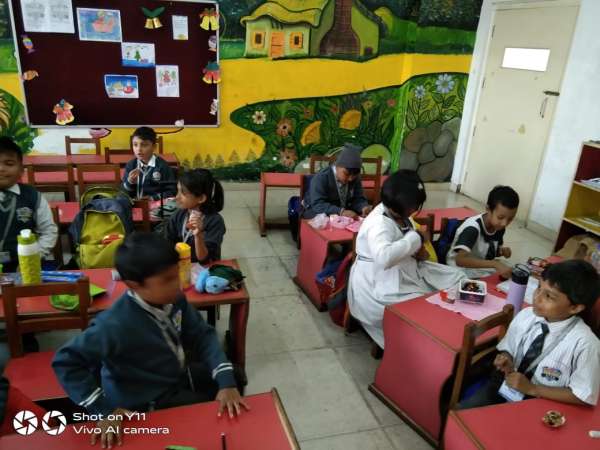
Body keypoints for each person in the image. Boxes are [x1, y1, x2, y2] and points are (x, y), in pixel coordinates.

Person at [52, 232, 248, 448]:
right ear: (134, 284)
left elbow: (202, 334)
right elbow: (65, 362)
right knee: (208, 422)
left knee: (235, 378)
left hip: (171, 376)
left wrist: (226, 382)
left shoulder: (173, 299)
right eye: (167, 280)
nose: (178, 285)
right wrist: (102, 410)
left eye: (176, 274)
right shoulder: (114, 324)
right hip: (143, 403)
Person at [459, 260, 600, 409]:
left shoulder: (586, 345)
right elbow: (508, 348)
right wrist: (506, 358)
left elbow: (582, 395)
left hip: (541, 402)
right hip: (504, 385)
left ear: (575, 308)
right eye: (539, 288)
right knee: (463, 414)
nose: (536, 298)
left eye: (549, 296)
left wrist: (533, 389)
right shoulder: (527, 315)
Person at [348, 170, 464, 348]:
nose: (414, 211)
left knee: (457, 277)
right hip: (376, 283)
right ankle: (430, 346)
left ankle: (456, 328)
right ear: (397, 206)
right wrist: (416, 238)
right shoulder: (379, 223)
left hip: (405, 269)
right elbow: (384, 257)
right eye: (412, 207)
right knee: (424, 307)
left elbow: (406, 245)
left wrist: (419, 251)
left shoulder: (399, 213)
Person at [0, 136, 58, 273]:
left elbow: (48, 231)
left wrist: (33, 258)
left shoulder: (33, 196)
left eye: (9, 164)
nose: (1, 168)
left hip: (24, 268)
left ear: (21, 170)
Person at [447, 185, 519, 279]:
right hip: (459, 269)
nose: (504, 223)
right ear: (488, 209)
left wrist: (501, 251)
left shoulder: (498, 227)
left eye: (510, 219)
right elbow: (459, 260)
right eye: (500, 217)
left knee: (512, 271)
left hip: (479, 266)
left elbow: (487, 250)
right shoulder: (472, 229)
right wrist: (494, 264)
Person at [165, 169, 225, 264]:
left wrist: (198, 235)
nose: (177, 197)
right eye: (178, 191)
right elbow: (167, 244)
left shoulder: (215, 221)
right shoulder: (178, 215)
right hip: (181, 265)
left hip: (205, 268)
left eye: (183, 193)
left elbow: (204, 259)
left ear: (201, 198)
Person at [302, 143, 372, 219]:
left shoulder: (355, 178)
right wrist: (341, 211)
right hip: (318, 213)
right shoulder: (321, 177)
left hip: (340, 214)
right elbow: (318, 204)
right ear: (337, 165)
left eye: (354, 175)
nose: (350, 179)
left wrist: (363, 207)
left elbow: (358, 198)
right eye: (346, 174)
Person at [122, 127, 177, 200]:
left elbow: (172, 191)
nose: (139, 149)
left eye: (144, 145)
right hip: (134, 204)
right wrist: (130, 182)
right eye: (135, 145)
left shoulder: (162, 166)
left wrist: (152, 198)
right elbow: (123, 192)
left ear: (154, 147)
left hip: (155, 205)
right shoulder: (131, 165)